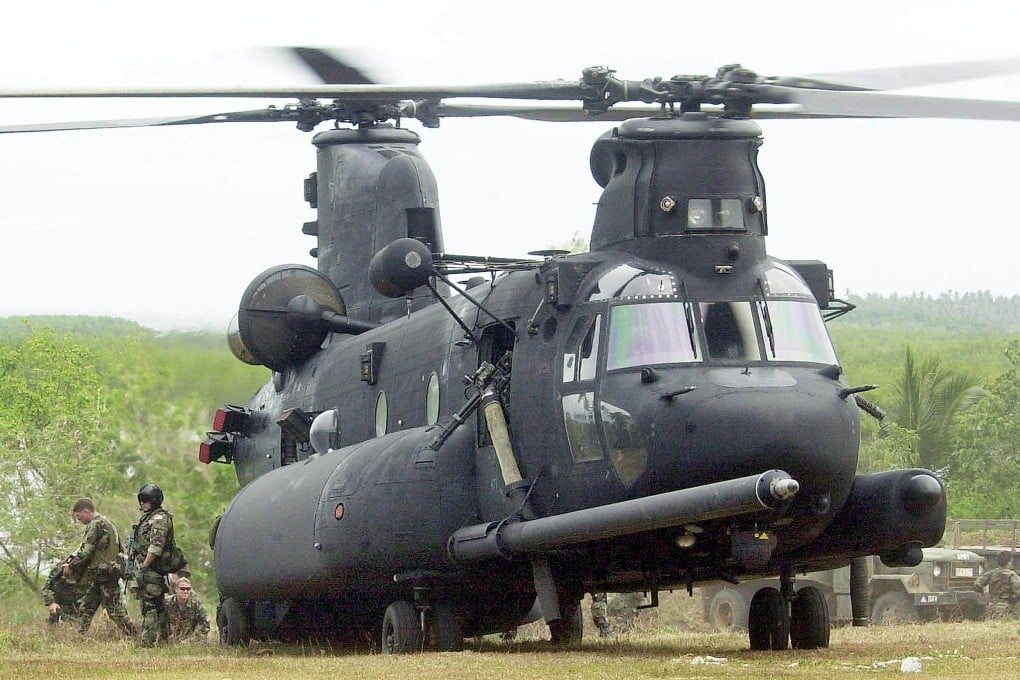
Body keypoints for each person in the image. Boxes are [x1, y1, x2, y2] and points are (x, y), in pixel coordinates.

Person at [64, 498, 136, 636]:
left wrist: (70, 566)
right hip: (104, 574)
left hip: (104, 575)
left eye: (78, 516)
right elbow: (120, 548)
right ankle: (79, 637)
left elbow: (85, 551)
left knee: (115, 610)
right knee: (87, 607)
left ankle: (134, 635)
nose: (78, 520)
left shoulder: (95, 524)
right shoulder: (109, 523)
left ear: (86, 511)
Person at [131, 483, 174, 646]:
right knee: (157, 604)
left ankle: (147, 642)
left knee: (149, 604)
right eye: (140, 500)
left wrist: (144, 567)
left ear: (154, 500)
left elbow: (156, 547)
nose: (142, 503)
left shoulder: (159, 519)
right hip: (148, 567)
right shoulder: (148, 517)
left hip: (152, 568)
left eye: (145, 500)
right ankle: (166, 638)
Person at [974, 551, 1020, 618]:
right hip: (1006, 609)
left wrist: (982, 592)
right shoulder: (1012, 575)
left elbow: (977, 584)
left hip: (991, 607)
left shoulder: (991, 573)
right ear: (1009, 562)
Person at [164, 577, 210, 642]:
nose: (185, 591)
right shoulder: (167, 602)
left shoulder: (196, 604)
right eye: (182, 589)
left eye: (188, 589)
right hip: (171, 636)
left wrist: (192, 640)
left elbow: (205, 623)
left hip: (190, 637)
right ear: (176, 590)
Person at [41, 557, 84, 626]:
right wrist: (51, 603)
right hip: (60, 606)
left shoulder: (89, 569)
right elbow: (47, 587)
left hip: (80, 608)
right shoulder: (59, 570)